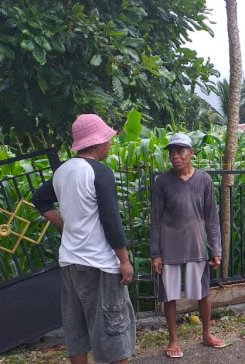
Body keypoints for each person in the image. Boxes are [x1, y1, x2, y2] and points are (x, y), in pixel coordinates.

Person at [32, 114, 136, 364]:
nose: (110, 144)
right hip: (98, 263)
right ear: (97, 142)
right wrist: (124, 260)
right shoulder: (100, 172)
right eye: (108, 140)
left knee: (76, 328)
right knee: (114, 329)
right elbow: (111, 221)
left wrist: (65, 225)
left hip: (70, 262)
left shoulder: (62, 171)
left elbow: (40, 199)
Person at [149, 133, 225, 359]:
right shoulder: (162, 182)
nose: (175, 156)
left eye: (180, 151)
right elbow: (155, 219)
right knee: (169, 296)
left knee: (203, 294)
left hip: (197, 245)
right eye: (171, 152)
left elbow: (212, 218)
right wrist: (156, 253)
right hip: (169, 247)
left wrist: (217, 249)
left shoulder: (204, 180)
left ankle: (207, 334)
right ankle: (173, 340)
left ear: (191, 153)